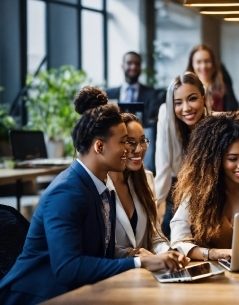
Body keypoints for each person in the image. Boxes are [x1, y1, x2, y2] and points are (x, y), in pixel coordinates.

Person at [0, 87, 187, 304]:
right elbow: (68, 269)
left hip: (79, 291)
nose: (129, 149)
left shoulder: (100, 186)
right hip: (38, 297)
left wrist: (139, 256)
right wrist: (139, 263)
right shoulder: (66, 192)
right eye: (123, 141)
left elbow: (98, 253)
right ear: (99, 146)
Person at [170, 111, 239, 260]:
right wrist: (212, 254)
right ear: (214, 161)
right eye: (233, 159)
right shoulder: (195, 193)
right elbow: (178, 242)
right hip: (210, 277)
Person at [155, 72, 210, 240]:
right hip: (180, 199)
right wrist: (151, 211)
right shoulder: (167, 119)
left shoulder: (217, 125)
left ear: (203, 98)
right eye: (178, 103)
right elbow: (163, 173)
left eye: (192, 99)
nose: (186, 108)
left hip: (211, 202)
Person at [107, 113, 171, 257]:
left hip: (144, 273)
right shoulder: (100, 184)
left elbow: (155, 235)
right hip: (113, 273)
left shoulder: (146, 179)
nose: (139, 149)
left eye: (142, 141)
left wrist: (170, 253)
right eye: (131, 142)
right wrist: (136, 256)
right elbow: (103, 247)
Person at [105, 51, 163, 174]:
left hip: (142, 143)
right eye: (129, 63)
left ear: (141, 67)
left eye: (137, 64)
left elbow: (150, 120)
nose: (133, 67)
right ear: (122, 66)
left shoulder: (152, 94)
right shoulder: (109, 94)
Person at [186, 44, 239, 111]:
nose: (203, 66)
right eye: (198, 62)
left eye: (207, 61)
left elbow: (234, 112)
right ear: (192, 64)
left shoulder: (224, 86)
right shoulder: (186, 89)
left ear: (214, 63)